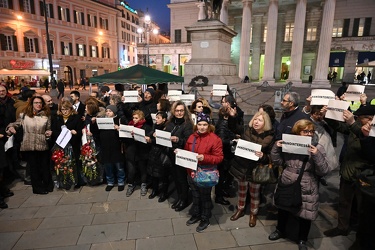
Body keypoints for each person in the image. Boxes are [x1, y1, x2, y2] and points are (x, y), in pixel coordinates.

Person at [269, 119, 330, 250]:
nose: (309, 134)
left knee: (305, 214)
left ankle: (302, 239)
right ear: (297, 132)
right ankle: (280, 230)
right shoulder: (290, 144)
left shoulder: (317, 147)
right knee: (283, 208)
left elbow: (324, 170)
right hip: (287, 179)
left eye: (311, 131)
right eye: (305, 131)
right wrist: (276, 147)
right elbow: (278, 161)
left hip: (307, 183)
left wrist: (316, 155)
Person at [323, 105, 374, 238]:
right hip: (348, 171)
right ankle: (342, 227)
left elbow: (366, 140)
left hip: (363, 176)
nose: (357, 120)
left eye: (360, 118)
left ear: (370, 119)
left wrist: (352, 123)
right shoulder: (356, 126)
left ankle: (360, 233)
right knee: (344, 202)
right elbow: (341, 127)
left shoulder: (371, 131)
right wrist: (328, 116)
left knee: (362, 207)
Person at [229, 111, 274, 227]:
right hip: (242, 167)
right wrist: (233, 117)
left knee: (254, 193)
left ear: (265, 123)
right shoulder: (246, 130)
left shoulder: (269, 137)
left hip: (256, 170)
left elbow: (271, 157)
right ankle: (240, 209)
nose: (256, 122)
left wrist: (263, 156)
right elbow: (233, 127)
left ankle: (253, 213)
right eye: (255, 119)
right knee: (242, 190)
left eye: (259, 120)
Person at [184, 112, 223, 232]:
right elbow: (187, 151)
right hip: (191, 172)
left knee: (205, 197)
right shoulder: (192, 137)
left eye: (205, 124)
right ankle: (196, 214)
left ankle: (205, 218)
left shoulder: (215, 139)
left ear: (209, 125)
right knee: (195, 195)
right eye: (200, 124)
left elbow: (219, 158)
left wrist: (204, 158)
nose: (202, 127)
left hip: (205, 173)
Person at [6, 96, 53, 194]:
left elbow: (48, 128)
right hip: (29, 145)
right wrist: (11, 127)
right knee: (33, 167)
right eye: (36, 103)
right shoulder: (24, 115)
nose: (38, 105)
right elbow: (16, 123)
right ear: (31, 104)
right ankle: (37, 188)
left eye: (40, 103)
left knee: (44, 166)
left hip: (42, 144)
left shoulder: (46, 115)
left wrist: (49, 133)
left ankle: (47, 185)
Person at [165, 101, 194, 212]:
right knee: (176, 178)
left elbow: (189, 141)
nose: (179, 113)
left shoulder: (187, 124)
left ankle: (184, 199)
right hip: (171, 154)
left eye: (181, 110)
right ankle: (180, 197)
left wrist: (178, 139)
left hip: (181, 155)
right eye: (177, 110)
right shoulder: (170, 122)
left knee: (182, 179)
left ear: (185, 111)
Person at [51, 100, 84, 187]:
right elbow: (54, 130)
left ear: (70, 109)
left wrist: (75, 132)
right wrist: (61, 134)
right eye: (62, 109)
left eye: (67, 109)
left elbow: (80, 130)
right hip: (61, 144)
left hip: (73, 144)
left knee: (73, 162)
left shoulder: (76, 117)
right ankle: (64, 181)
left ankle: (76, 181)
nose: (65, 111)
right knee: (62, 163)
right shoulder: (57, 118)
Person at [125, 110, 152, 197]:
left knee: (142, 169)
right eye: (133, 117)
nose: (134, 120)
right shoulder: (129, 126)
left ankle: (143, 184)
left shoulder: (146, 127)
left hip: (142, 152)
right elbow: (124, 140)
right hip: (131, 152)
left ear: (141, 118)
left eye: (136, 118)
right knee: (131, 170)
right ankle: (130, 184)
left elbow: (148, 141)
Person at [214, 106, 236, 205]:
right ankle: (218, 196)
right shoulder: (223, 124)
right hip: (224, 155)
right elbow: (222, 141)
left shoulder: (224, 122)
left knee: (223, 175)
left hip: (225, 154)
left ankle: (221, 192)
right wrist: (233, 141)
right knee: (221, 176)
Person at [100, 105, 125, 192]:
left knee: (119, 166)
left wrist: (118, 129)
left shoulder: (118, 120)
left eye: (110, 111)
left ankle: (121, 182)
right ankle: (110, 182)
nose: (108, 113)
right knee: (108, 166)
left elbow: (123, 134)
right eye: (107, 111)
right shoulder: (102, 120)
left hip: (116, 147)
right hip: (106, 147)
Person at [146, 111, 170, 202]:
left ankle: (164, 193)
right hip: (153, 153)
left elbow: (164, 141)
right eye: (156, 118)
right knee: (153, 174)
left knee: (163, 175)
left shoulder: (167, 128)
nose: (156, 119)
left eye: (158, 118)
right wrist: (150, 136)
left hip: (162, 154)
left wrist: (152, 140)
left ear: (164, 119)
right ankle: (155, 190)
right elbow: (150, 133)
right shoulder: (155, 126)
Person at [0, 85, 16, 208]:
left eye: (3, 90)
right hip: (1, 134)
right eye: (0, 91)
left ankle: (4, 187)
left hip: (9, 133)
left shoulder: (11, 102)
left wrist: (11, 127)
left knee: (6, 163)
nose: (1, 92)